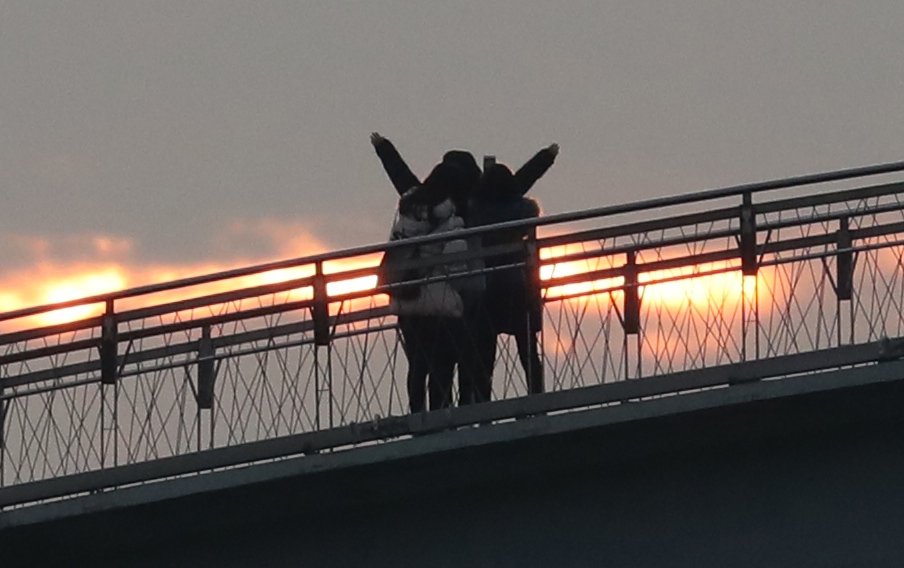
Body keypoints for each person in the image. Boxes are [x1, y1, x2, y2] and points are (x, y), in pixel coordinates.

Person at [371, 133, 558, 405]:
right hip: (473, 296)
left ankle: (431, 417)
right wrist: (546, 156)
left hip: (414, 294)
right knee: (477, 358)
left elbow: (402, 176)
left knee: (425, 364)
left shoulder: (420, 201)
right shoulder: (475, 202)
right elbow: (518, 184)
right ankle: (479, 407)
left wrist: (384, 149)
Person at [469, 149, 558, 400]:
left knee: (485, 351)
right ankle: (536, 396)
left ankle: (483, 404)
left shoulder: (475, 211)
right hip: (519, 283)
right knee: (528, 349)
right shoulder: (522, 210)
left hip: (486, 285)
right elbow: (525, 179)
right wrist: (546, 157)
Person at [386, 164, 468, 413]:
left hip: (408, 298)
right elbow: (457, 261)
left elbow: (393, 254)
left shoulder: (405, 219)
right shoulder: (451, 219)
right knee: (441, 363)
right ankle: (440, 414)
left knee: (417, 362)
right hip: (440, 301)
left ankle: (417, 413)